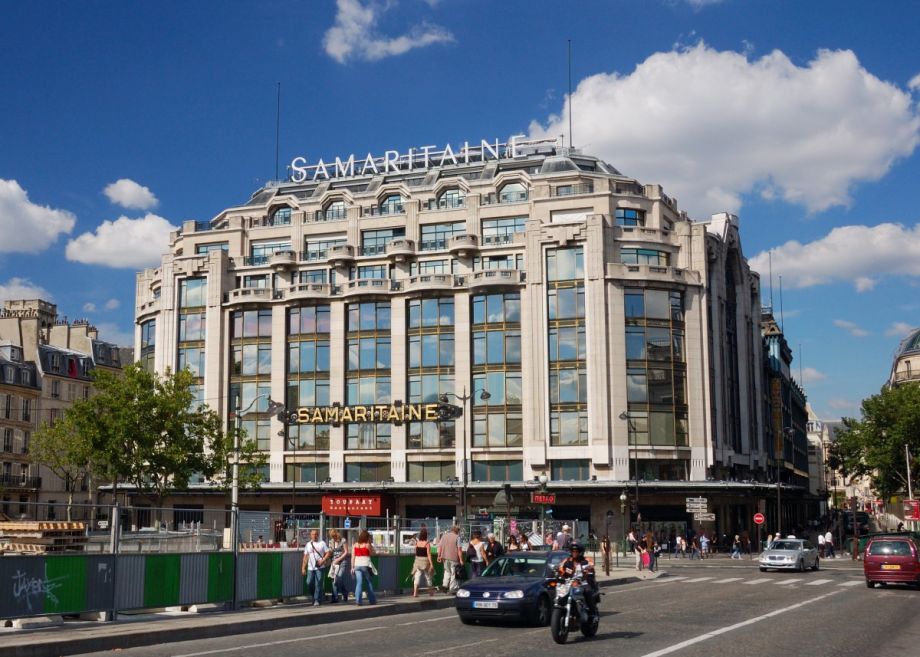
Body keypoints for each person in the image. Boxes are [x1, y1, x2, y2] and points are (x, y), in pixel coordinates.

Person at [557, 543, 597, 621]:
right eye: (573, 551)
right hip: (569, 583)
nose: (574, 553)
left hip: (583, 583)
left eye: (576, 551)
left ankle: (592, 614)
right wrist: (557, 573)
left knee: (588, 591)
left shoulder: (586, 560)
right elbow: (560, 568)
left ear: (580, 552)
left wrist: (588, 571)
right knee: (561, 595)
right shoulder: (567, 560)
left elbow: (591, 567)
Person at [301, 528, 330, 606]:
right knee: (309, 582)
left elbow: (328, 553)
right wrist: (303, 567)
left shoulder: (322, 543)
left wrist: (323, 560)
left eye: (316, 534)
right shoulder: (308, 544)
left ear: (318, 535)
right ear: (310, 535)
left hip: (320, 567)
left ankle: (317, 599)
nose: (314, 536)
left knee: (318, 584)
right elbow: (306, 556)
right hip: (310, 567)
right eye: (313, 534)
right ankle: (314, 597)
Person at [351, 529, 377, 605]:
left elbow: (353, 556)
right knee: (369, 582)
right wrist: (370, 544)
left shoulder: (355, 545)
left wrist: (352, 567)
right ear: (367, 537)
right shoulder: (367, 545)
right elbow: (373, 553)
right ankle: (372, 600)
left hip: (356, 565)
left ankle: (358, 601)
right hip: (365, 565)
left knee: (359, 583)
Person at [437, 525, 464, 593]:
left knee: (447, 571)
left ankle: (445, 586)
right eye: (459, 531)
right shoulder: (457, 537)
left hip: (445, 557)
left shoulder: (444, 536)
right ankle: (452, 588)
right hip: (454, 558)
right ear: (457, 531)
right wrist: (461, 559)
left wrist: (439, 556)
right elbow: (459, 549)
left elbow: (440, 546)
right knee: (453, 573)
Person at [411, 528, 435, 597]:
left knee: (417, 576)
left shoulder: (417, 543)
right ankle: (430, 592)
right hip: (425, 561)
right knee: (428, 577)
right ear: (426, 536)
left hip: (418, 561)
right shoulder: (427, 543)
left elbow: (416, 552)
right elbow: (429, 554)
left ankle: (415, 592)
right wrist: (431, 564)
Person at [328, 529, 349, 603]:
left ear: (337, 534)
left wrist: (339, 559)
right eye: (332, 536)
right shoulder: (331, 541)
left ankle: (345, 593)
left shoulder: (343, 540)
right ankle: (335, 598)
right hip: (334, 562)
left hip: (342, 561)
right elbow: (330, 552)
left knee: (339, 578)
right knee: (334, 579)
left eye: (334, 536)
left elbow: (346, 552)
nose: (333, 538)